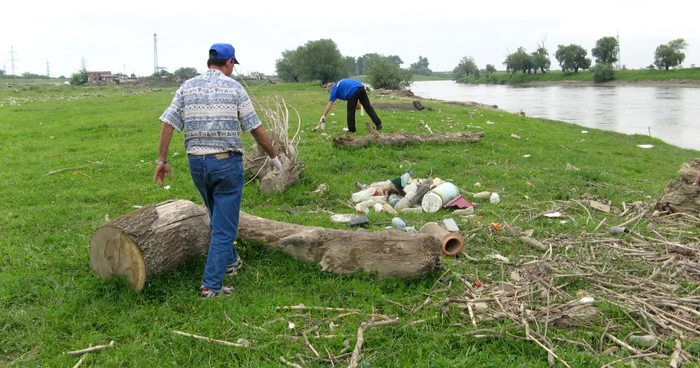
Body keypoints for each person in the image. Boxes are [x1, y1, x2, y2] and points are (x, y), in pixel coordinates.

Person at [153, 43, 282, 298]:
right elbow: (254, 127)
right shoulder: (234, 88)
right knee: (225, 227)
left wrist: (161, 160)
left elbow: (168, 122)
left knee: (217, 214)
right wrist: (273, 156)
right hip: (226, 164)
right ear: (230, 63)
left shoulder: (187, 86)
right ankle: (211, 285)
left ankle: (231, 261)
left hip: (197, 164)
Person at [319, 78, 383, 133]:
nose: (330, 93)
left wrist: (324, 116)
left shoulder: (334, 89)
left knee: (350, 112)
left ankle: (352, 130)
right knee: (368, 107)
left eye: (329, 92)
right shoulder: (340, 83)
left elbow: (330, 104)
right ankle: (378, 123)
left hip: (353, 91)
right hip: (361, 87)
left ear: (330, 89)